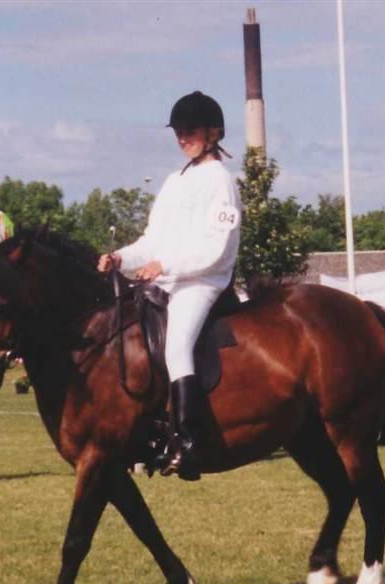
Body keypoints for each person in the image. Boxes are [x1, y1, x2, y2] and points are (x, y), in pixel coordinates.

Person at [97, 91, 242, 481]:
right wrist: (122, 258)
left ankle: (191, 443)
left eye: (189, 130)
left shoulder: (221, 181)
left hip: (202, 281)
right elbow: (152, 240)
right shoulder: (173, 181)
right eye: (178, 132)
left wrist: (165, 265)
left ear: (213, 132)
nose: (182, 138)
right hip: (166, 278)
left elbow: (217, 248)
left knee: (177, 347)